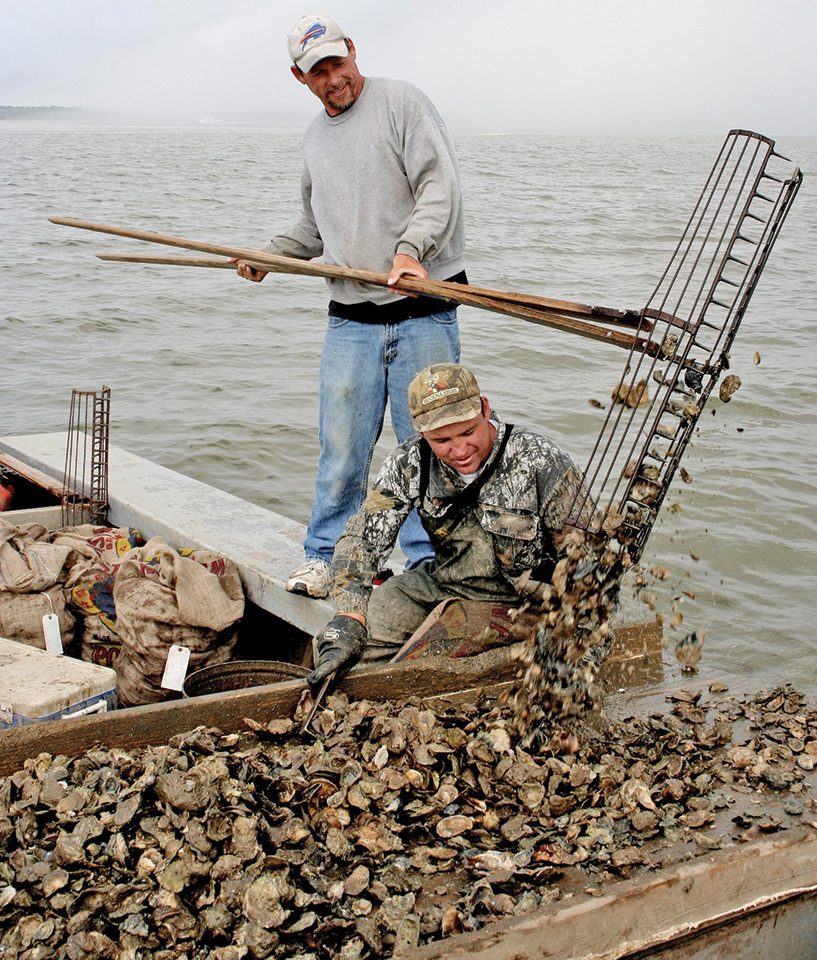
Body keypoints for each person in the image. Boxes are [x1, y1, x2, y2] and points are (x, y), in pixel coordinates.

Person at [237, 14, 466, 599]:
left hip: (423, 306)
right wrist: (269, 256)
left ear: (353, 52)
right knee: (341, 445)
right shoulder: (315, 137)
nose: (333, 78)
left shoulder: (402, 104)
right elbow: (314, 230)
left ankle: (428, 563)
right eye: (318, 71)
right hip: (352, 318)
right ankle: (327, 558)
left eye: (338, 63)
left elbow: (439, 187)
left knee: (430, 443)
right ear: (300, 77)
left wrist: (412, 250)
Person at [307, 362, 595, 688]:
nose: (459, 450)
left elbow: (588, 556)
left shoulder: (539, 460)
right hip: (444, 584)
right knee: (337, 646)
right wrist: (350, 615)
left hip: (525, 604)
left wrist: (572, 624)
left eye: (468, 432)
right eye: (442, 440)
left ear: (485, 409)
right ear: (420, 430)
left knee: (426, 665)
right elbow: (362, 539)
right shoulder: (409, 462)